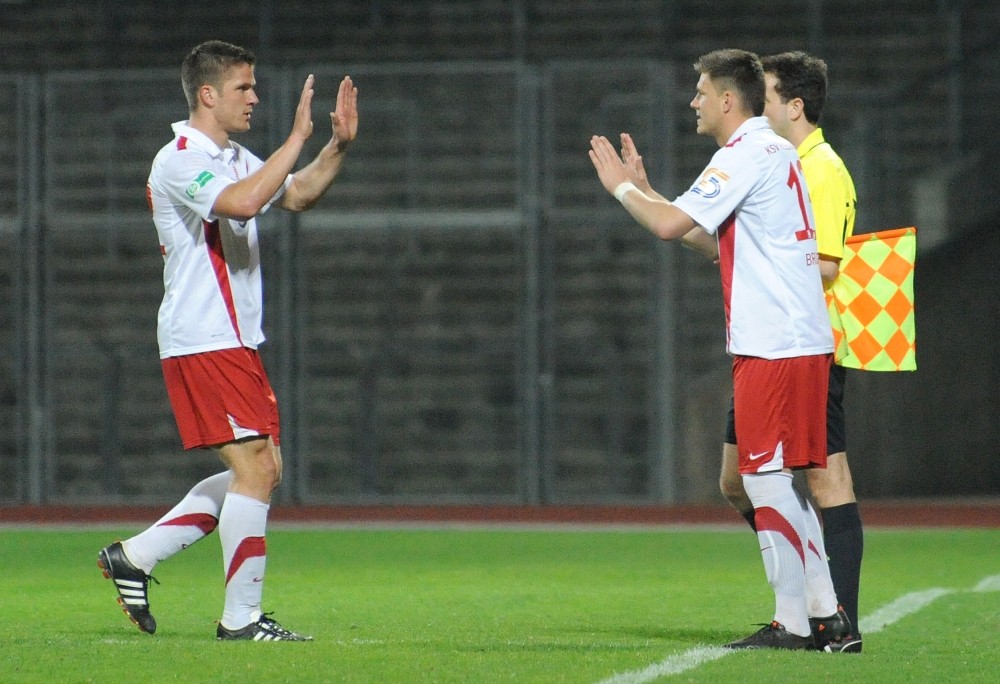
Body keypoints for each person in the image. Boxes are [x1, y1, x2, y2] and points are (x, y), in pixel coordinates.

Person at [589, 48, 853, 651]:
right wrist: (649, 191)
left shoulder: (742, 154)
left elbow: (667, 227)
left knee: (763, 480)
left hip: (775, 343)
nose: (694, 102)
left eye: (703, 92)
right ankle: (827, 616)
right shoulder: (776, 151)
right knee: (777, 479)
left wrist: (622, 189)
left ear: (728, 99)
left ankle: (793, 622)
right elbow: (715, 242)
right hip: (799, 340)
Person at [97, 40, 358, 641]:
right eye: (244, 87)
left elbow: (296, 193)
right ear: (208, 94)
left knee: (263, 469)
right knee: (256, 468)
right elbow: (241, 203)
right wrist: (296, 138)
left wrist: (336, 146)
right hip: (203, 334)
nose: (255, 97)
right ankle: (241, 619)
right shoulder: (179, 158)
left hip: (232, 337)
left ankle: (136, 556)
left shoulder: (234, 155)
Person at [716, 51, 863, 652]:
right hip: (771, 342)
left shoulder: (819, 168)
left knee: (825, 481)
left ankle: (832, 618)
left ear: (794, 106)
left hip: (801, 344)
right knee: (738, 480)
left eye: (769, 96)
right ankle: (813, 607)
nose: (760, 106)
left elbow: (824, 262)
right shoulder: (780, 162)